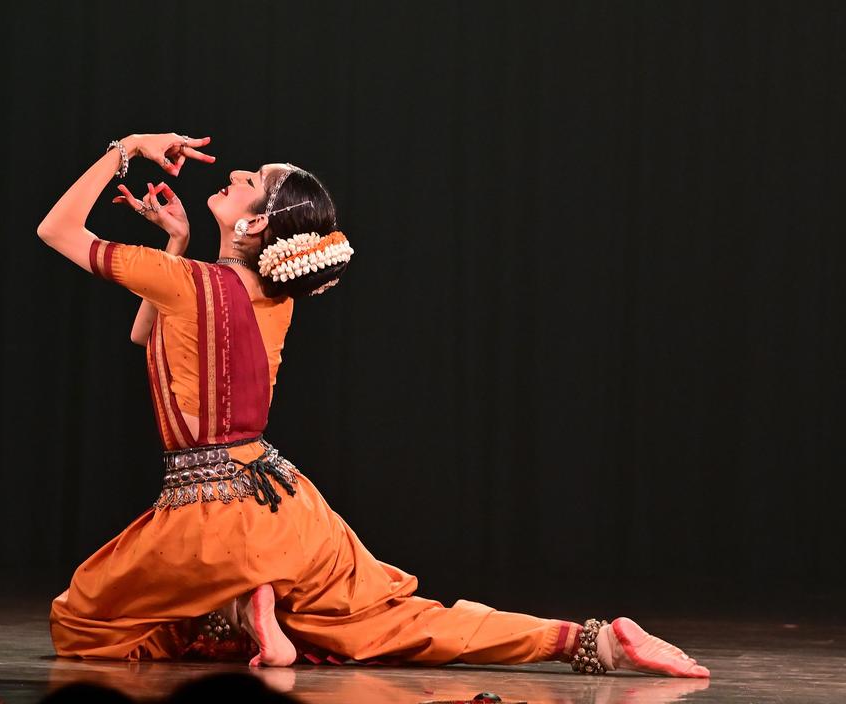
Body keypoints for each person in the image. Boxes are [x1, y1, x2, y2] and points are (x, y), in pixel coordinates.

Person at [35, 132, 710, 678]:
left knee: (83, 624)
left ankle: (242, 608)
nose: (235, 173)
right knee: (398, 619)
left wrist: (124, 147)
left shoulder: (185, 285)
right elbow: (151, 332)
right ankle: (591, 641)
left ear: (257, 219)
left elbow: (56, 229)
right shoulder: (275, 298)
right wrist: (177, 242)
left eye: (249, 181)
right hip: (286, 507)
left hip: (205, 515)